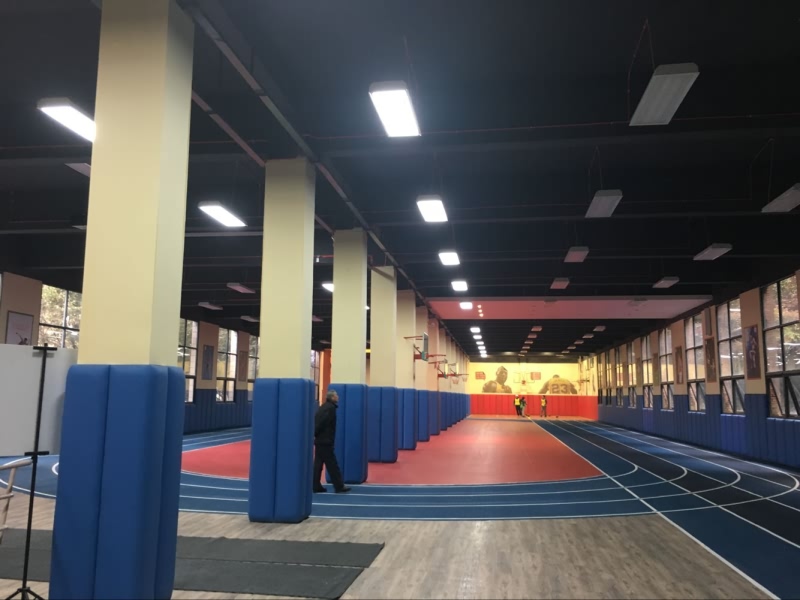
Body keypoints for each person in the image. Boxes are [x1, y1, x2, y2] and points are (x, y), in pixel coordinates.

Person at [313, 390, 351, 494]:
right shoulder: (330, 409)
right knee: (332, 464)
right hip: (325, 441)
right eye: (336, 395)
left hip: (320, 440)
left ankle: (315, 485)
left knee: (318, 464)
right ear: (332, 397)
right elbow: (322, 423)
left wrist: (315, 434)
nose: (338, 397)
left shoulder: (323, 407)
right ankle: (339, 486)